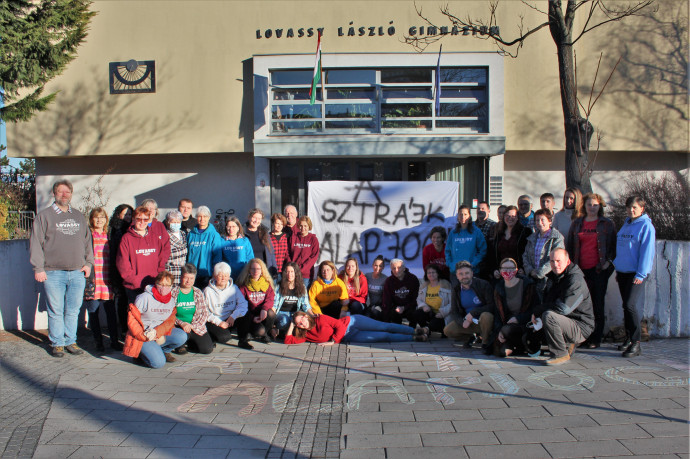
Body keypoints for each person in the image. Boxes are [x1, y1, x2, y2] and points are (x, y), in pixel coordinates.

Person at [30, 179, 94, 357]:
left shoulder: (79, 216)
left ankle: (70, 341)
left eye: (67, 192)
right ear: (54, 193)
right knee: (56, 310)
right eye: (60, 192)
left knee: (73, 310)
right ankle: (57, 343)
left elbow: (88, 242)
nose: (64, 195)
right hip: (53, 272)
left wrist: (88, 263)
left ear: (71, 195)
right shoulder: (45, 216)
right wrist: (38, 268)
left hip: (77, 272)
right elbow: (36, 243)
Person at [567, 192, 616, 349]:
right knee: (580, 305)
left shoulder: (606, 224)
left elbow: (613, 247)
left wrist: (608, 263)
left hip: (598, 271)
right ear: (584, 206)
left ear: (600, 206)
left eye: (595, 205)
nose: (592, 208)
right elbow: (569, 245)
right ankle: (582, 336)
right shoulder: (577, 224)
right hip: (580, 271)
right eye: (589, 204)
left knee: (597, 305)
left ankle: (596, 338)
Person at [531, 249, 594, 365]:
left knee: (549, 316)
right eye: (552, 261)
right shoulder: (553, 278)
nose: (555, 265)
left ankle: (560, 354)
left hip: (581, 325)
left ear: (568, 261)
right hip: (566, 321)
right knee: (532, 332)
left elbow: (563, 308)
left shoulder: (575, 280)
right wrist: (537, 314)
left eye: (559, 261)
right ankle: (567, 344)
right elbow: (548, 301)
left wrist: (539, 310)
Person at [613, 195, 656, 358]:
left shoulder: (646, 226)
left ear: (642, 209)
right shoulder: (626, 224)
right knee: (625, 305)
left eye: (635, 207)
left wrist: (641, 273)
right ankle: (629, 338)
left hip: (636, 273)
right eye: (629, 207)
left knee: (630, 305)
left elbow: (647, 252)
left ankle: (636, 342)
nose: (631, 210)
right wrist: (618, 268)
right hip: (623, 272)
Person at [123, 271, 187, 368]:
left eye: (167, 285)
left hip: (158, 333)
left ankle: (164, 350)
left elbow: (170, 321)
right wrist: (142, 335)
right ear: (155, 283)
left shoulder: (171, 300)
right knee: (158, 364)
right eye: (160, 284)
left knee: (181, 336)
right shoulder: (144, 298)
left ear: (171, 286)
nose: (163, 288)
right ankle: (141, 355)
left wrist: (157, 333)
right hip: (143, 335)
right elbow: (133, 320)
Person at [84, 207, 121, 352]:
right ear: (92, 219)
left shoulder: (109, 234)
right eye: (96, 217)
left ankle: (114, 341)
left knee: (111, 313)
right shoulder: (87, 235)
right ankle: (98, 342)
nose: (99, 220)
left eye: (102, 217)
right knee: (93, 312)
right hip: (93, 279)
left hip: (107, 279)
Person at [117, 206, 171, 304]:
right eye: (139, 219)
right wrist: (135, 281)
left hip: (153, 286)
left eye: (145, 219)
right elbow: (123, 265)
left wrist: (158, 279)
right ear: (133, 219)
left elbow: (161, 259)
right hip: (135, 288)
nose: (142, 222)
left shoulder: (154, 238)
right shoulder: (126, 239)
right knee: (136, 317)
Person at [285, 311, 429, 344]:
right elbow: (288, 341)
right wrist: (291, 325)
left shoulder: (320, 318)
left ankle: (415, 330)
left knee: (383, 326)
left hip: (352, 323)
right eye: (299, 323)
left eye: (302, 319)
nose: (302, 323)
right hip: (350, 337)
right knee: (383, 337)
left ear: (305, 316)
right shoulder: (305, 335)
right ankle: (415, 338)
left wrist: (333, 341)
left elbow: (339, 325)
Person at [489, 258, 536, 357]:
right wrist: (499, 332)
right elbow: (497, 314)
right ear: (500, 270)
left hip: (525, 324)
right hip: (507, 325)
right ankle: (517, 346)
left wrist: (518, 319)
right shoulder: (499, 288)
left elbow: (535, 309)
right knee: (500, 352)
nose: (508, 271)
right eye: (504, 269)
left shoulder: (527, 285)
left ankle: (523, 343)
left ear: (516, 270)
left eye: (511, 268)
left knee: (507, 330)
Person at [443, 261, 495, 348]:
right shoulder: (456, 289)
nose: (464, 276)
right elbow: (454, 311)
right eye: (461, 274)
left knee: (486, 316)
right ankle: (470, 338)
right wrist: (462, 321)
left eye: (467, 273)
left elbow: (492, 306)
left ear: (472, 273)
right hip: (469, 322)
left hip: (483, 321)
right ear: (457, 276)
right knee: (448, 330)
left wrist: (473, 313)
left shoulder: (483, 284)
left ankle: (485, 342)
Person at [204, 262, 252, 350]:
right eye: (220, 275)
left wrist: (233, 316)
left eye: (226, 276)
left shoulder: (234, 288)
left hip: (230, 319)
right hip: (215, 320)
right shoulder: (207, 291)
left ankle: (243, 340)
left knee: (246, 313)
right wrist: (218, 322)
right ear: (214, 276)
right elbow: (204, 311)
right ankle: (212, 337)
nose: (223, 278)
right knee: (224, 338)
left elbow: (243, 304)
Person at [523, 209, 565, 301]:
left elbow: (556, 258)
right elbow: (525, 256)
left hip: (549, 279)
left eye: (542, 220)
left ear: (549, 221)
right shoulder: (532, 238)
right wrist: (530, 271)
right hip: (532, 278)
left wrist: (540, 272)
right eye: (537, 220)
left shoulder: (557, 238)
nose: (540, 223)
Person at [172, 263, 213, 354]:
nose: (188, 281)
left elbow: (204, 313)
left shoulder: (198, 292)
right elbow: (169, 314)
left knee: (207, 349)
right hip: (179, 326)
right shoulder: (173, 292)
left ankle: (190, 342)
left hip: (195, 325)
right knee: (179, 336)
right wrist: (182, 323)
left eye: (191, 278)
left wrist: (192, 326)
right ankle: (180, 344)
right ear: (181, 277)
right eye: (186, 278)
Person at [485, 205, 532, 280]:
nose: (510, 218)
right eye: (507, 216)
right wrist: (494, 269)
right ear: (503, 217)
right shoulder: (499, 233)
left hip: (518, 273)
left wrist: (523, 268)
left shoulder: (525, 232)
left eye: (513, 216)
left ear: (517, 218)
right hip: (502, 273)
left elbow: (528, 253)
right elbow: (493, 254)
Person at [237, 258, 277, 344]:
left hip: (263, 314)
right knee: (259, 331)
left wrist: (264, 309)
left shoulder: (267, 284)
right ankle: (251, 333)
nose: (255, 271)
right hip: (250, 317)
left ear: (262, 271)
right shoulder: (244, 285)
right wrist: (252, 317)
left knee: (271, 312)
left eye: (258, 269)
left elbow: (270, 299)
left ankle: (266, 334)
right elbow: (241, 303)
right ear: (249, 270)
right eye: (253, 269)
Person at [109, 203, 133, 333]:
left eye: (130, 214)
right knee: (122, 301)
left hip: (132, 270)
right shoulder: (114, 229)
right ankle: (123, 329)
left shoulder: (132, 229)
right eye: (125, 214)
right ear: (119, 214)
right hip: (118, 270)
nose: (128, 217)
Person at [187, 205, 224, 288]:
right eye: (199, 216)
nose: (202, 219)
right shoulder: (191, 234)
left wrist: (214, 273)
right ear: (196, 217)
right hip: (192, 274)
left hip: (206, 275)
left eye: (205, 216)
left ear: (209, 217)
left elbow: (217, 256)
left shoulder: (214, 235)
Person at [445, 205, 487, 278]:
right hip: (455, 272)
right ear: (458, 216)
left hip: (471, 272)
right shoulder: (453, 233)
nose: (463, 216)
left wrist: (473, 263)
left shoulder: (476, 231)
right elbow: (447, 250)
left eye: (465, 214)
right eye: (460, 214)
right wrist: (450, 264)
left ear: (469, 216)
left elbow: (483, 250)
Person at [273, 262, 311, 336]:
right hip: (281, 313)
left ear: (296, 273)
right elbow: (274, 305)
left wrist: (312, 315)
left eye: (292, 271)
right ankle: (280, 330)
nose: (289, 274)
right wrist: (272, 321)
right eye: (287, 272)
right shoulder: (279, 286)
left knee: (302, 321)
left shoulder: (301, 287)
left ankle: (285, 333)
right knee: (284, 321)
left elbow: (305, 305)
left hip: (295, 313)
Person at [414, 264, 453, 334]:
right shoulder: (424, 286)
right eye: (429, 273)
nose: (431, 274)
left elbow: (453, 303)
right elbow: (418, 299)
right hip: (430, 313)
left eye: (433, 272)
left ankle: (425, 331)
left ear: (438, 273)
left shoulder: (446, 285)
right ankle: (426, 331)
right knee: (418, 313)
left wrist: (442, 313)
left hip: (443, 315)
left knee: (437, 321)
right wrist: (424, 306)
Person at [382, 259, 420, 326]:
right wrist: (386, 322)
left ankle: (412, 331)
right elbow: (386, 301)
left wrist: (405, 307)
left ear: (404, 268)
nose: (396, 270)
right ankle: (397, 331)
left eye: (399, 267)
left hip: (410, 306)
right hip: (396, 307)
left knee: (415, 313)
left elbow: (416, 298)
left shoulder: (413, 279)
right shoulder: (389, 281)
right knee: (393, 314)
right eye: (394, 268)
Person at [244, 208, 277, 277]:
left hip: (263, 270)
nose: (256, 221)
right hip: (247, 270)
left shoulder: (264, 233)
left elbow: (271, 253)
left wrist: (274, 269)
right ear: (249, 217)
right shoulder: (242, 233)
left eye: (259, 219)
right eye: (254, 218)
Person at [221, 216, 254, 282]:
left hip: (242, 276)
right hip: (227, 277)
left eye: (233, 226)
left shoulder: (245, 241)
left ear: (238, 228)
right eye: (229, 226)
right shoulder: (222, 241)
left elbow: (250, 258)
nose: (231, 229)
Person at [289, 215, 320, 284]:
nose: (303, 228)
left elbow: (314, 257)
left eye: (305, 226)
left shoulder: (313, 239)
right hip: (293, 274)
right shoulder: (293, 238)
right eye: (301, 225)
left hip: (306, 275)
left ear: (309, 226)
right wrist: (292, 268)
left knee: (303, 294)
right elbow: (288, 253)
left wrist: (301, 269)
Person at [164, 210, 188, 287]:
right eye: (173, 222)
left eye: (178, 222)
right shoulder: (164, 235)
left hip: (183, 272)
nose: (176, 224)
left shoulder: (183, 234)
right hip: (170, 271)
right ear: (168, 222)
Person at [364, 255, 387, 320]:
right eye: (376, 265)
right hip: (369, 305)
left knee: (375, 313)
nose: (377, 268)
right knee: (366, 318)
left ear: (383, 268)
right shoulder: (367, 276)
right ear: (372, 265)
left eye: (380, 266)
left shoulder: (385, 279)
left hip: (379, 306)